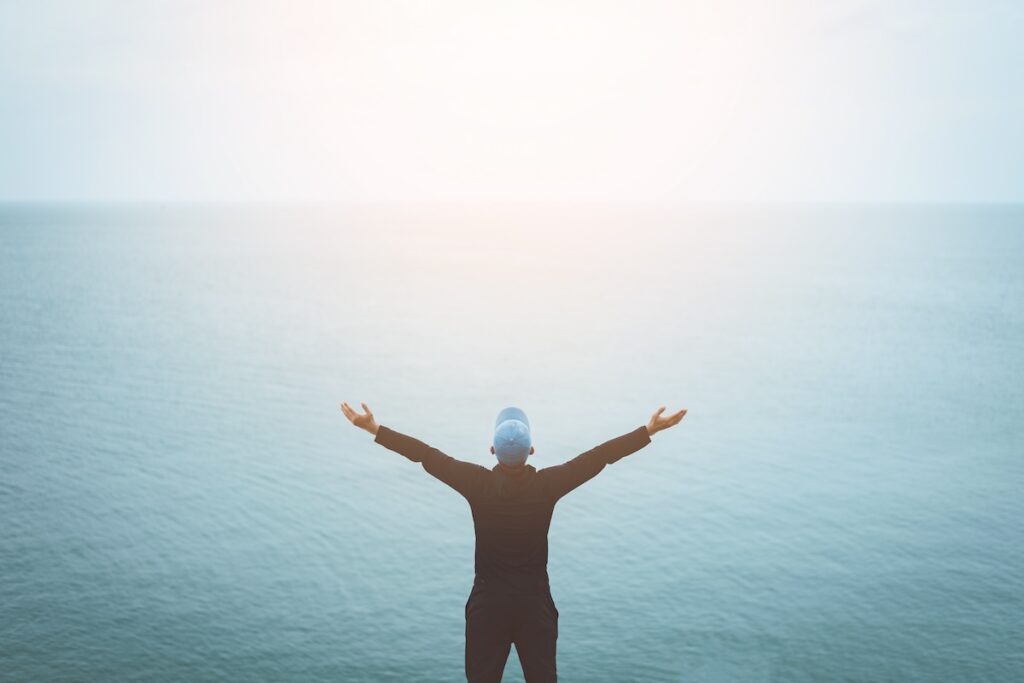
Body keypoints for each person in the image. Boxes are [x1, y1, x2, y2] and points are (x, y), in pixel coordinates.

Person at [339, 401, 687, 683]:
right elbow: (600, 457)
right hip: (534, 604)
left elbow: (424, 455)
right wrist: (649, 430)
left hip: (488, 603)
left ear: (492, 450)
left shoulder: (476, 483)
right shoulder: (549, 485)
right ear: (532, 450)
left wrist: (373, 428)